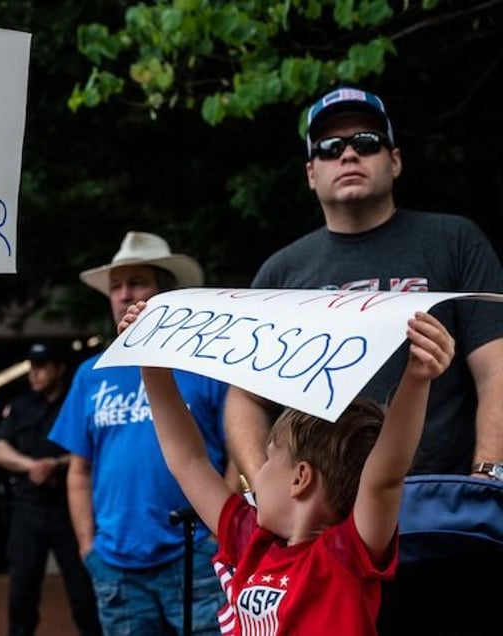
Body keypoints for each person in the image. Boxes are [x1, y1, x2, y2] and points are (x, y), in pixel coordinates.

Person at [223, 86, 503, 634]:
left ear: (394, 161)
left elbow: (496, 369)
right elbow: (242, 398)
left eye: (366, 141)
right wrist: (267, 491)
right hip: (319, 541)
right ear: (311, 173)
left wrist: (486, 478)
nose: (347, 154)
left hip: (437, 520)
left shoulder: (454, 240)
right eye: (328, 148)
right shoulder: (281, 272)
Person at [119, 301, 455, 634]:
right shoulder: (252, 541)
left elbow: (383, 478)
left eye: (267, 459)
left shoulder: (345, 555)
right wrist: (151, 362)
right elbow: (188, 460)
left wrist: (417, 379)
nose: (256, 472)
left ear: (300, 478)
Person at [48, 231, 230, 635]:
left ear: (165, 291)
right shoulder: (89, 374)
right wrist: (87, 548)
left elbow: (238, 456)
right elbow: (79, 470)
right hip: (115, 564)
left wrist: (223, 535)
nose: (125, 294)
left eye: (137, 283)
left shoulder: (208, 365)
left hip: (195, 553)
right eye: (116, 287)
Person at [0, 341, 101, 636]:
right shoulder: (19, 405)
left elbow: (93, 446)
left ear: (59, 369)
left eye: (42, 367)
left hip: (68, 507)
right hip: (28, 507)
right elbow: (0, 450)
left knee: (83, 590)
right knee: (22, 590)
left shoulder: (75, 401)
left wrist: (55, 464)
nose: (35, 374)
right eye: (32, 367)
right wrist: (31, 466)